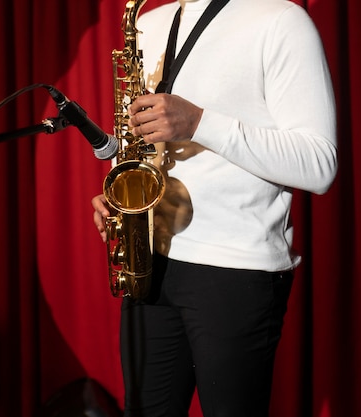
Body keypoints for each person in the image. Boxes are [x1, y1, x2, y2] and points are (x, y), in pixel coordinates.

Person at [91, 0, 337, 416]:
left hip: (235, 270)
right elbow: (138, 132)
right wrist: (121, 192)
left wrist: (199, 123)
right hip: (148, 262)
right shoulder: (147, 23)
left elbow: (320, 164)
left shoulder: (279, 19)